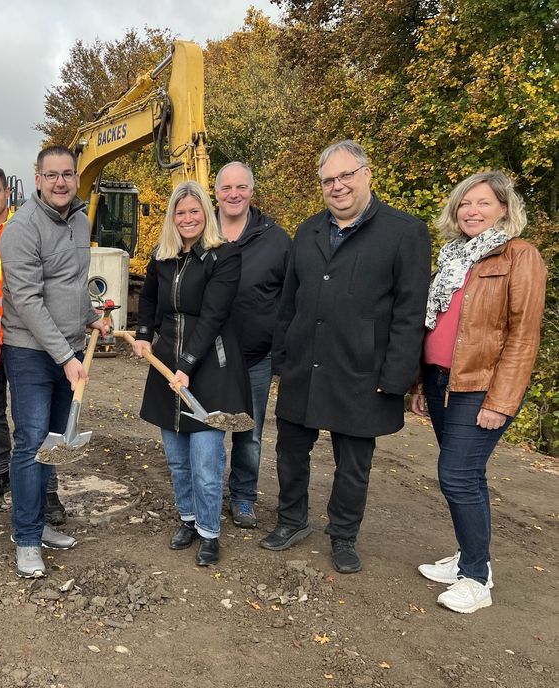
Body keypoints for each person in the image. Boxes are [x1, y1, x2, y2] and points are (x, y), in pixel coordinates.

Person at [265, 139, 431, 573]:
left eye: (345, 176)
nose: (337, 186)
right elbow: (289, 302)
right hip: (306, 364)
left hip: (363, 371)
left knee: (353, 464)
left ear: (366, 174)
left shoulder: (404, 232)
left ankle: (343, 536)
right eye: (328, 180)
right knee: (290, 451)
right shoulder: (308, 231)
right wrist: (282, 359)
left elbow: (411, 311)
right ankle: (291, 520)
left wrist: (398, 376)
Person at [411, 171, 545, 613]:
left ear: (504, 208)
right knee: (467, 477)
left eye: (484, 203)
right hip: (441, 381)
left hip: (481, 386)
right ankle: (470, 557)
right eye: (465, 203)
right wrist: (419, 384)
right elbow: (436, 325)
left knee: (457, 476)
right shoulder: (453, 256)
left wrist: (501, 401)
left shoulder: (519, 257)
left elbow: (523, 337)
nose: (472, 211)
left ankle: (476, 577)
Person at [0, 145, 109, 578]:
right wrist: (65, 356)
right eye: (52, 175)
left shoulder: (80, 221)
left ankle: (40, 523)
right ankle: (25, 537)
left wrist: (91, 317)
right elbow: (25, 300)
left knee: (56, 443)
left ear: (76, 177)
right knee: (31, 443)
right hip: (29, 352)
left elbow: (73, 284)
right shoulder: (21, 228)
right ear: (38, 178)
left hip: (69, 348)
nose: (61, 182)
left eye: (68, 174)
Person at [132, 181, 251, 566]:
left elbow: (214, 316)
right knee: (177, 457)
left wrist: (185, 367)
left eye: (194, 211)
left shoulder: (225, 256)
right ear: (172, 217)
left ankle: (210, 532)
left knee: (205, 458)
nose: (187, 219)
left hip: (209, 367)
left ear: (206, 214)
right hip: (166, 364)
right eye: (180, 213)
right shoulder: (162, 256)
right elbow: (148, 298)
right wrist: (144, 335)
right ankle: (188, 519)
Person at [0, 166, 66, 524]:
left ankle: (48, 489)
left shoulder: (25, 227)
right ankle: (0, 471)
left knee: (34, 422)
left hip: (26, 340)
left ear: (7, 193)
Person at [215, 162, 291, 529]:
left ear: (251, 191)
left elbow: (290, 297)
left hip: (255, 358)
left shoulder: (275, 239)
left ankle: (243, 497)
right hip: (207, 357)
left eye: (241, 187)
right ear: (216, 192)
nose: (234, 194)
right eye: (227, 187)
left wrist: (279, 349)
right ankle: (209, 493)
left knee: (250, 433)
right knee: (207, 431)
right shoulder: (199, 229)